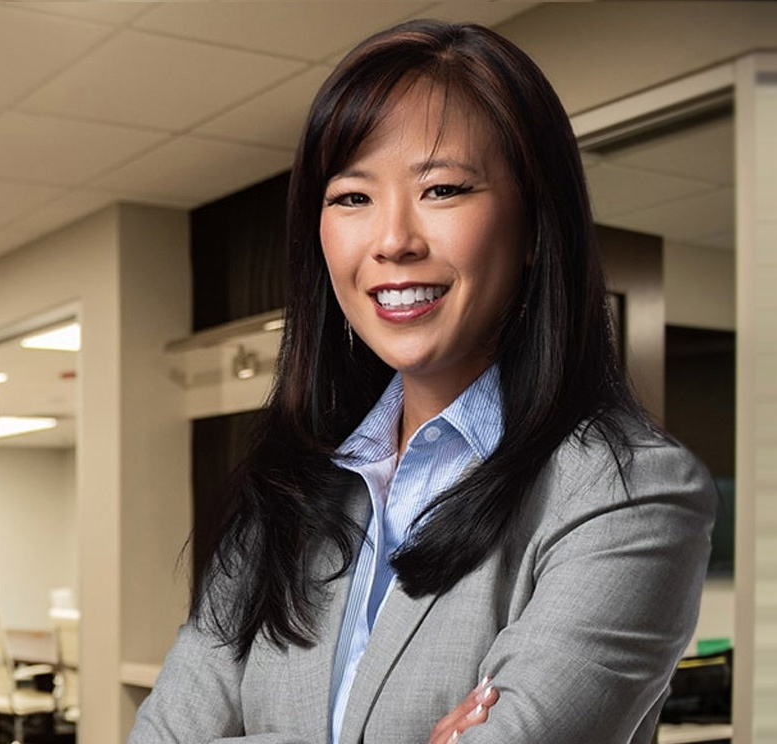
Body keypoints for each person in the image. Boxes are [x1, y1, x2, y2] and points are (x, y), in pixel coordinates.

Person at [130, 20, 715, 744]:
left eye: (441, 189)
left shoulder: (628, 492)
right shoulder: (281, 500)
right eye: (352, 198)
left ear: (535, 224)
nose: (393, 240)